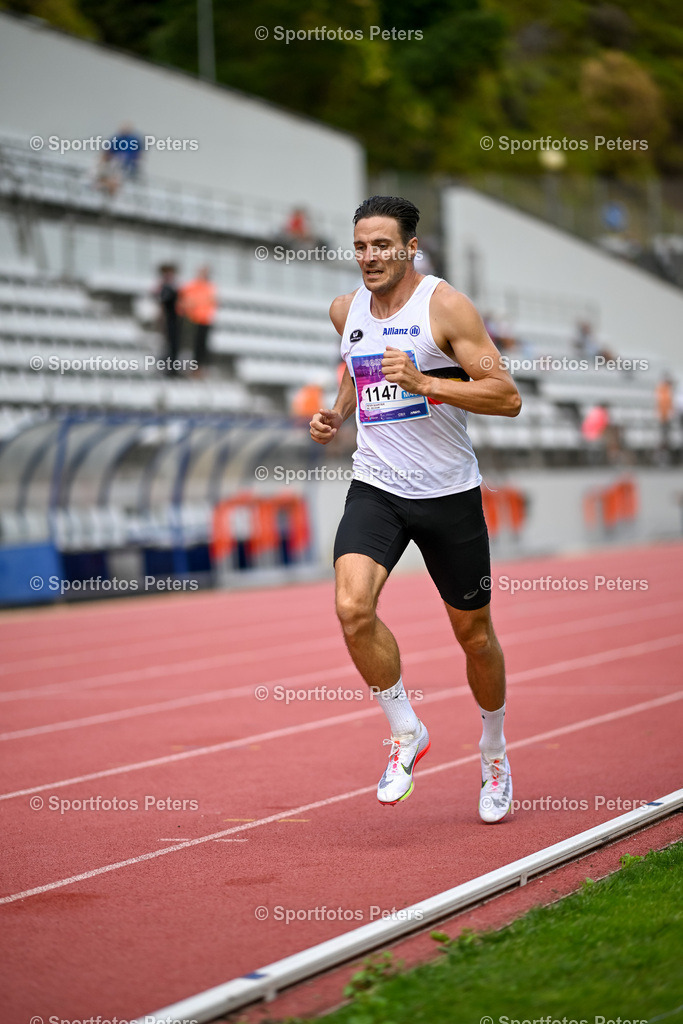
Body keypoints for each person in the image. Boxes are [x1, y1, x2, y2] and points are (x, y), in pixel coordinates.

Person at [310, 195, 521, 822]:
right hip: (376, 487)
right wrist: (337, 413)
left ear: (409, 248)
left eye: (382, 245)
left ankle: (493, 750)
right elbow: (354, 370)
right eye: (360, 246)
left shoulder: (445, 306)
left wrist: (427, 381)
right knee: (352, 608)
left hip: (448, 493)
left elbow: (506, 397)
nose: (370, 257)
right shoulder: (345, 310)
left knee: (474, 635)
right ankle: (405, 730)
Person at [179, 266, 217, 375]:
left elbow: (213, 302)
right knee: (192, 344)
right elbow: (185, 300)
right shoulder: (192, 285)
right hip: (193, 319)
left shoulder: (210, 286)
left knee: (202, 345)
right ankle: (190, 367)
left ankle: (198, 368)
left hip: (205, 320)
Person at [155, 264, 180, 375]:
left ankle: (171, 368)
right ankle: (169, 369)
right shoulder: (165, 287)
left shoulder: (171, 287)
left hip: (174, 319)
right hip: (168, 319)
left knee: (173, 345)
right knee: (169, 345)